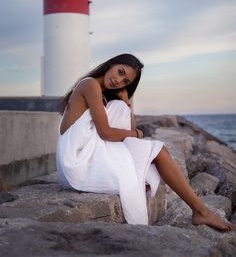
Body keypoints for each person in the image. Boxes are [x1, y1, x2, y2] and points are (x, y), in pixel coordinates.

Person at [56, 53, 234, 231]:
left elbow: (125, 127)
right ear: (111, 64)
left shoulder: (101, 93)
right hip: (76, 162)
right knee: (154, 151)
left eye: (125, 81)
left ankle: (200, 211)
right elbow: (106, 133)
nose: (118, 81)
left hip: (84, 154)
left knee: (152, 149)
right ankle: (201, 211)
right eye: (120, 72)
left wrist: (127, 103)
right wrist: (136, 134)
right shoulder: (90, 84)